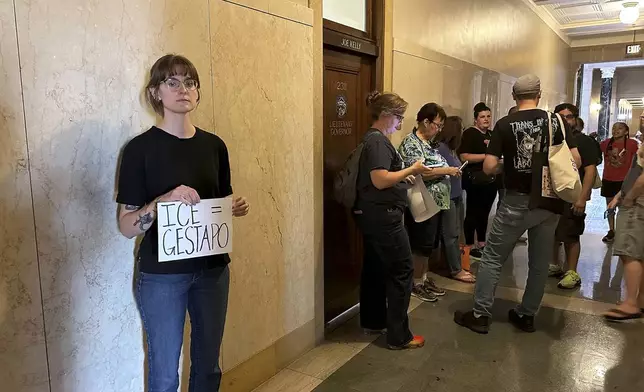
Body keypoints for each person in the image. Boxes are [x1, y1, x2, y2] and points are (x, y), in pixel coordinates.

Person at [116, 54, 250, 391]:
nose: (183, 89)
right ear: (156, 92)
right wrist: (161, 202)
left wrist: (232, 207)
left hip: (212, 270)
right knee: (164, 373)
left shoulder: (214, 146)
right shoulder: (139, 150)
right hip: (162, 276)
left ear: (198, 92)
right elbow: (126, 225)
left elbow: (219, 201)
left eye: (189, 82)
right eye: (172, 82)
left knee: (208, 367)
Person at [454, 74, 580, 334]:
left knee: (491, 259)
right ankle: (526, 315)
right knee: (539, 262)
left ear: (514, 96)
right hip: (549, 201)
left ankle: (480, 314)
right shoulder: (555, 122)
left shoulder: (504, 124)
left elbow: (488, 167)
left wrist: (509, 166)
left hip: (516, 201)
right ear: (539, 94)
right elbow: (574, 161)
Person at [355, 91, 429, 350]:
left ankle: (374, 321)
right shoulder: (378, 142)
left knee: (375, 268)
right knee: (402, 270)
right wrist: (412, 170)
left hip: (374, 216)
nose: (399, 123)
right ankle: (400, 336)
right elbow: (379, 179)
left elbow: (384, 176)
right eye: (398, 117)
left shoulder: (373, 139)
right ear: (385, 115)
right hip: (384, 218)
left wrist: (401, 176)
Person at [399, 104, 464, 303]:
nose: (439, 129)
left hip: (435, 203)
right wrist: (448, 171)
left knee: (428, 246)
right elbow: (420, 173)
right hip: (421, 203)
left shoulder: (429, 143)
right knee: (420, 245)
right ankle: (415, 283)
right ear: (425, 122)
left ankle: (423, 278)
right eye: (437, 125)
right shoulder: (411, 143)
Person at [548, 103, 600, 289]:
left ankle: (572, 271)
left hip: (572, 195)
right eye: (560, 116)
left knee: (571, 234)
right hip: (553, 195)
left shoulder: (584, 141)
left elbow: (590, 171)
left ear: (575, 119)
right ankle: (554, 264)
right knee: (553, 232)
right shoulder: (553, 139)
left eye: (568, 116)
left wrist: (582, 198)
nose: (564, 120)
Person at [603, 145, 644, 321]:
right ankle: (640, 300)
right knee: (640, 255)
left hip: (637, 204)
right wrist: (620, 195)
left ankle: (630, 304)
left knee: (629, 253)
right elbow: (636, 172)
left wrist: (629, 197)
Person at [435, 116, 476, 283]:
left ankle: (455, 263)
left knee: (458, 232)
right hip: (448, 196)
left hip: (456, 194)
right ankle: (455, 269)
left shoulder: (452, 149)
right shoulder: (441, 148)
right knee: (450, 233)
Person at [458, 102, 498, 260]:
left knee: (485, 212)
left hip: (490, 180)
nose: (486, 119)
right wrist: (487, 157)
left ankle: (481, 242)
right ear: (476, 119)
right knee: (473, 212)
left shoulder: (491, 134)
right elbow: (464, 156)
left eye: (488, 116)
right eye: (482, 117)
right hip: (474, 179)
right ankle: (469, 245)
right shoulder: (470, 134)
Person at [600, 122, 638, 243]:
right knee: (610, 207)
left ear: (626, 132)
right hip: (608, 179)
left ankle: (623, 232)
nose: (616, 130)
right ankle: (611, 230)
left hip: (625, 180)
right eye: (614, 128)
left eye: (620, 128)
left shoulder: (632, 144)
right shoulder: (606, 143)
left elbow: (637, 162)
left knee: (625, 207)